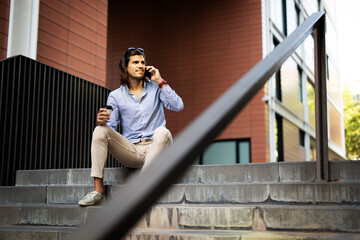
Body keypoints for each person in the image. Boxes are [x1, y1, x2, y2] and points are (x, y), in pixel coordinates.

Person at [78, 47, 184, 206]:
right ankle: (97, 191)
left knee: (162, 132)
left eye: (142, 62)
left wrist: (160, 81)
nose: (140, 65)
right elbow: (110, 127)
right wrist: (102, 122)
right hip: (132, 151)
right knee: (99, 130)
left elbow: (178, 106)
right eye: (135, 62)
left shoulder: (156, 88)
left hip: (158, 147)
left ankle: (141, 187)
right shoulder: (115, 96)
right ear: (125, 67)